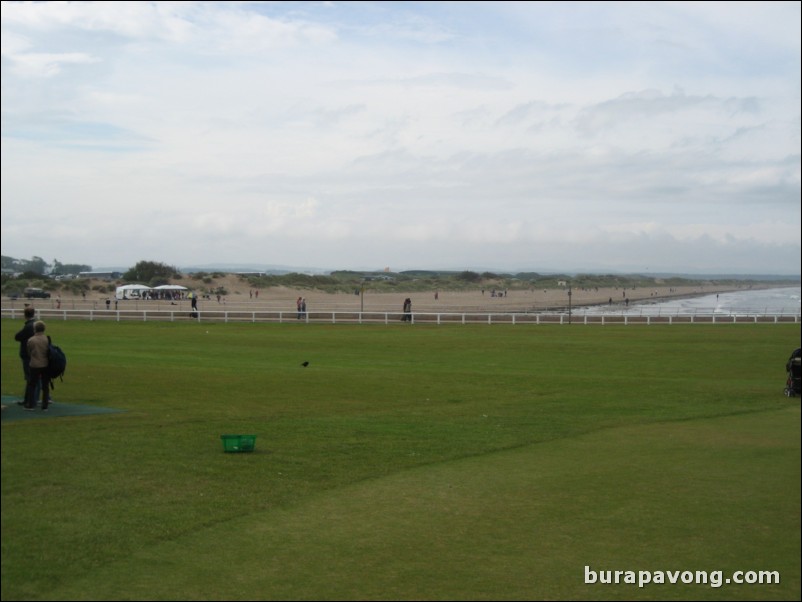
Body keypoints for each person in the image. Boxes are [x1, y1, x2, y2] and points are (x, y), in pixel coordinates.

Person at [14, 306, 39, 404]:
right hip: (35, 354)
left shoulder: (28, 326)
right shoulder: (36, 324)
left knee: (30, 378)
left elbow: (17, 336)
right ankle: (34, 398)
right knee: (36, 378)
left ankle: (29, 400)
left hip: (28, 355)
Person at [24, 321, 50, 411]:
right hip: (45, 364)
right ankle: (45, 405)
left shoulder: (31, 340)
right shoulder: (47, 339)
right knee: (45, 385)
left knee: (32, 384)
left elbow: (29, 352)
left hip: (34, 364)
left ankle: (31, 404)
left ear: (35, 329)